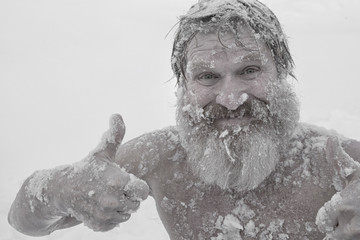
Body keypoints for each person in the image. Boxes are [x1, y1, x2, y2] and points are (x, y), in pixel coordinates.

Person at [8, 0, 360, 239]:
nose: (231, 98)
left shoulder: (337, 163)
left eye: (250, 70)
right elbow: (21, 220)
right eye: (207, 77)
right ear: (184, 86)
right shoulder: (162, 157)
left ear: (281, 73)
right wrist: (59, 190)